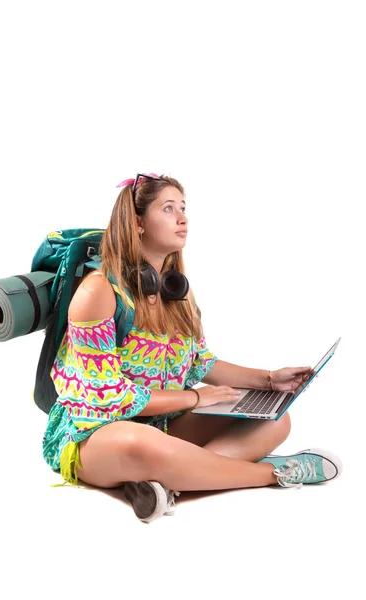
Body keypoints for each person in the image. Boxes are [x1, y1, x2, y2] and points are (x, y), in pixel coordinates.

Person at [42, 172, 342, 523]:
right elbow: (110, 398)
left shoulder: (176, 292)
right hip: (92, 433)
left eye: (183, 208)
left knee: (274, 421)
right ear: (138, 222)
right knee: (144, 444)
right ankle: (275, 474)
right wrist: (195, 399)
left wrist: (270, 380)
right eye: (168, 209)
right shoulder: (98, 293)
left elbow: (200, 363)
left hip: (162, 422)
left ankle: (165, 488)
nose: (182, 218)